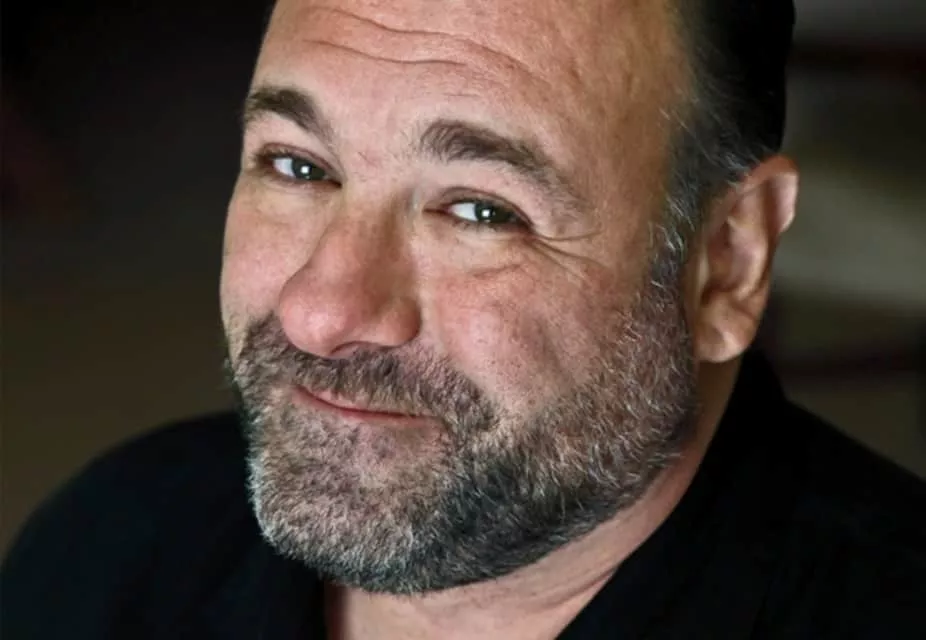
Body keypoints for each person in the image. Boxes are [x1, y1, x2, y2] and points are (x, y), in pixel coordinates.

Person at [3, 0, 924, 637]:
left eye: (481, 211)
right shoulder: (111, 546)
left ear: (729, 260)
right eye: (298, 165)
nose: (321, 312)